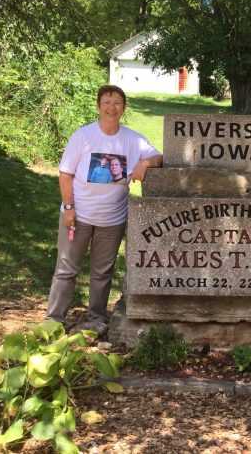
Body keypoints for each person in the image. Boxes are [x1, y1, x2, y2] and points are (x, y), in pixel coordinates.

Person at [46, 84, 163, 334]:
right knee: (66, 269)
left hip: (112, 220)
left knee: (102, 273)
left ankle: (96, 320)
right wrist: (69, 208)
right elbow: (65, 174)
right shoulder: (83, 136)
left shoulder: (133, 139)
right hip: (79, 215)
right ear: (98, 106)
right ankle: (53, 320)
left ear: (124, 108)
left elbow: (159, 157)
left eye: (117, 102)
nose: (112, 107)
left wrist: (144, 163)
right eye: (107, 102)